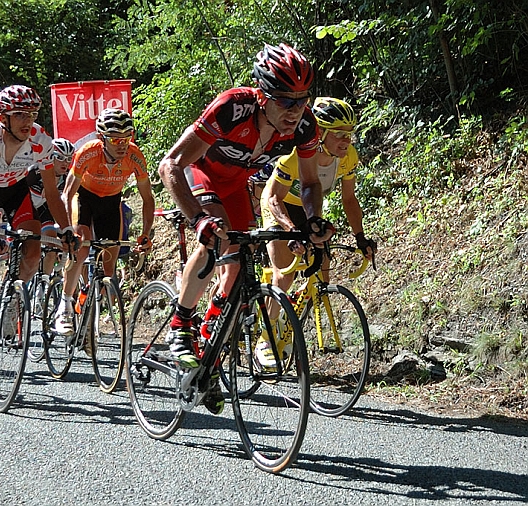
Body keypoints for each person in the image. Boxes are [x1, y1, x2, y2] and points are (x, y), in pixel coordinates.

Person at [156, 42, 333, 415]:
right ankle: (180, 323)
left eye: (302, 100)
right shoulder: (232, 108)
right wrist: (197, 218)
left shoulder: (304, 125)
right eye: (285, 101)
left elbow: (311, 182)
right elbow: (170, 165)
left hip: (236, 186)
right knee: (215, 238)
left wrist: (313, 219)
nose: (295, 110)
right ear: (262, 94)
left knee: (240, 268)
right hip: (200, 175)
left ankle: (211, 346)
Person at [0, 84, 76, 380]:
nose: (26, 121)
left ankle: (4, 294)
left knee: (32, 252)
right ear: (3, 116)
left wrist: (67, 228)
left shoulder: (41, 140)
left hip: (14, 193)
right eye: (19, 115)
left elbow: (51, 192)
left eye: (31, 114)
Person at [258, 97, 376, 366]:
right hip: (280, 206)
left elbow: (349, 200)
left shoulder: (348, 158)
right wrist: (289, 231)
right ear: (320, 133)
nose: (346, 141)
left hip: (310, 210)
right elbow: (274, 198)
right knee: (284, 275)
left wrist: (360, 238)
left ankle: (290, 325)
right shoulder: (294, 155)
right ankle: (266, 335)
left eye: (350, 134)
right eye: (339, 134)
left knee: (322, 265)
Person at [53, 109, 155, 338]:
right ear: (101, 138)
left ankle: (90, 302)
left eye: (127, 138)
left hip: (111, 202)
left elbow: (148, 199)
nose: (122, 145)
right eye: (115, 139)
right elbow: (67, 194)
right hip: (84, 198)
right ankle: (65, 307)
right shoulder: (87, 153)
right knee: (82, 246)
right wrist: (68, 230)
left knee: (109, 269)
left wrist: (146, 234)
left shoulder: (135, 156)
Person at [27, 138, 75, 278]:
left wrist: (67, 229)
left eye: (68, 159)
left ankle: (44, 283)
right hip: (26, 209)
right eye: (59, 157)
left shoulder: (67, 177)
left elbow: (69, 203)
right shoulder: (34, 172)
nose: (65, 162)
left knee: (52, 244)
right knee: (23, 250)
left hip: (44, 210)